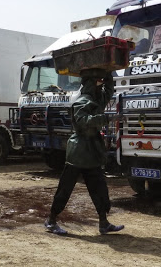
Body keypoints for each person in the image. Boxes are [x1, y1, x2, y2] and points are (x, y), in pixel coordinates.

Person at [44, 68, 125, 235]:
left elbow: (108, 91)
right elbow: (83, 122)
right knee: (66, 188)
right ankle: (51, 220)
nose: (100, 85)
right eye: (97, 82)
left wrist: (108, 72)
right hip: (79, 151)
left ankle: (104, 222)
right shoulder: (83, 101)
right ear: (90, 84)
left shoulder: (97, 99)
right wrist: (107, 118)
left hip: (91, 150)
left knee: (99, 187)